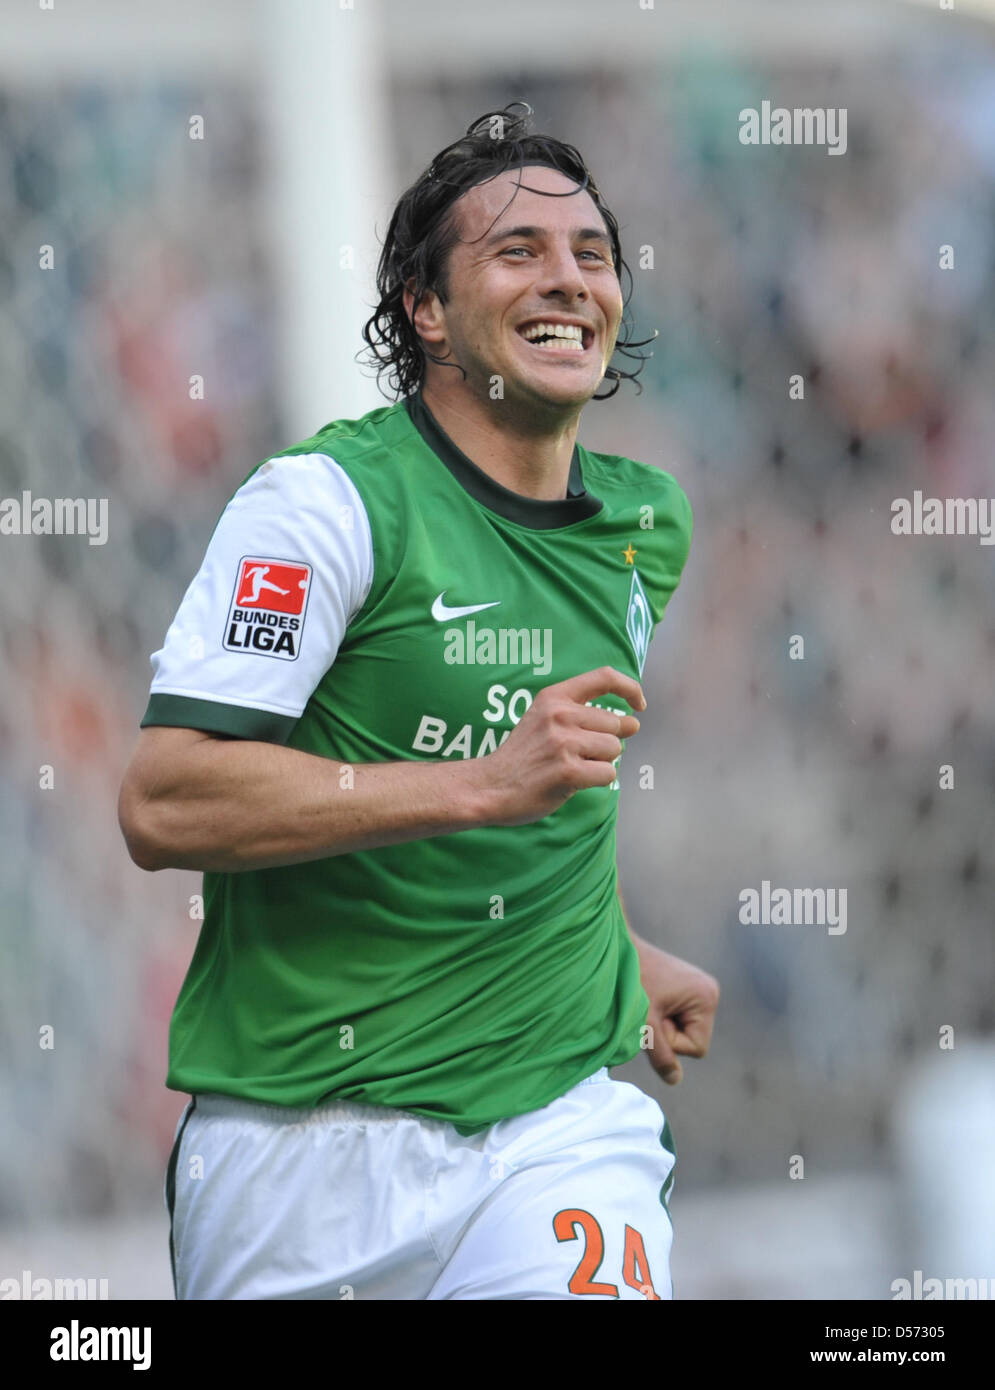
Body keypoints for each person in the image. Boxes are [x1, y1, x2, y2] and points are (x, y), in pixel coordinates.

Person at [118, 102, 719, 1301]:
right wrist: (481, 784)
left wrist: (611, 955)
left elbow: (550, 811)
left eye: (590, 255)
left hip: (552, 1130)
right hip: (298, 1150)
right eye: (518, 252)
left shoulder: (644, 527)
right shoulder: (324, 506)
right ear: (426, 310)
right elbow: (165, 800)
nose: (568, 279)